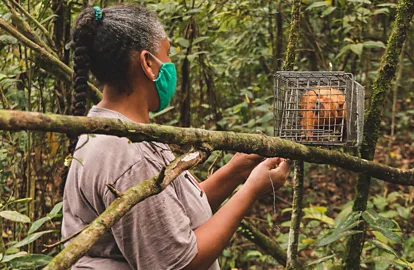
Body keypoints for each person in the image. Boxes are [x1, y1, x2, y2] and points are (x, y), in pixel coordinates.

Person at [61, 4, 290, 270]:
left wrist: (235, 173)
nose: (170, 65)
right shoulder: (127, 153)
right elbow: (180, 264)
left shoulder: (122, 131)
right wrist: (251, 190)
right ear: (148, 63)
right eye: (166, 54)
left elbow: (167, 214)